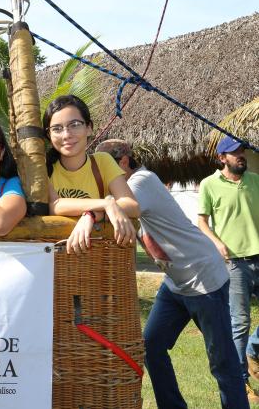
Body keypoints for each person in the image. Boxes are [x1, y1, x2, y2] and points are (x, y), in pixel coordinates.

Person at [97, 138, 250, 409]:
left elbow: (120, 209)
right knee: (151, 346)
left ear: (123, 162)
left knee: (223, 362)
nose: (99, 175)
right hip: (175, 283)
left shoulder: (140, 181)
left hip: (204, 278)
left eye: (103, 167)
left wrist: (95, 205)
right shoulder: (131, 184)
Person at [198, 135, 259, 397]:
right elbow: (202, 221)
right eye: (235, 152)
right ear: (222, 158)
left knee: (243, 326)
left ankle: (253, 350)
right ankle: (240, 380)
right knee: (240, 322)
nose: (241, 156)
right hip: (234, 263)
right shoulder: (209, 184)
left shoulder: (255, 180)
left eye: (242, 151)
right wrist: (217, 243)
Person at [42, 94, 139, 254]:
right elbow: (55, 206)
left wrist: (92, 214)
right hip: (51, 259)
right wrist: (107, 204)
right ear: (49, 135)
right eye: (57, 129)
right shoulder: (43, 167)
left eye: (74, 125)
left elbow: (132, 206)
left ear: (89, 128)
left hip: (96, 259)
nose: (66, 135)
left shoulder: (102, 161)